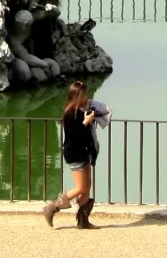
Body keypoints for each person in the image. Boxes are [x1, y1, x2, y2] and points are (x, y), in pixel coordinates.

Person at [44, 79, 100, 229]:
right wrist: (86, 122)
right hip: (74, 153)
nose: (86, 97)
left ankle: (83, 221)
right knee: (81, 187)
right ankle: (53, 207)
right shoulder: (70, 114)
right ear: (77, 96)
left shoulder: (81, 110)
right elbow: (74, 135)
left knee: (87, 185)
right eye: (84, 94)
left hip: (84, 151)